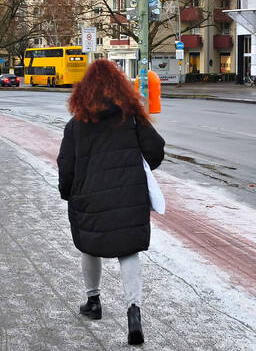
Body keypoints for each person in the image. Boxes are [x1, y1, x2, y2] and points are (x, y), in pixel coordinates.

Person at [57, 59, 166, 345]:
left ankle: (93, 302)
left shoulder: (76, 124)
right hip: (129, 197)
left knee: (89, 245)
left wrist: (67, 192)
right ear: (120, 86)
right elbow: (156, 151)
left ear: (85, 89)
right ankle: (134, 312)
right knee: (128, 252)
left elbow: (66, 166)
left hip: (88, 196)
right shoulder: (131, 117)